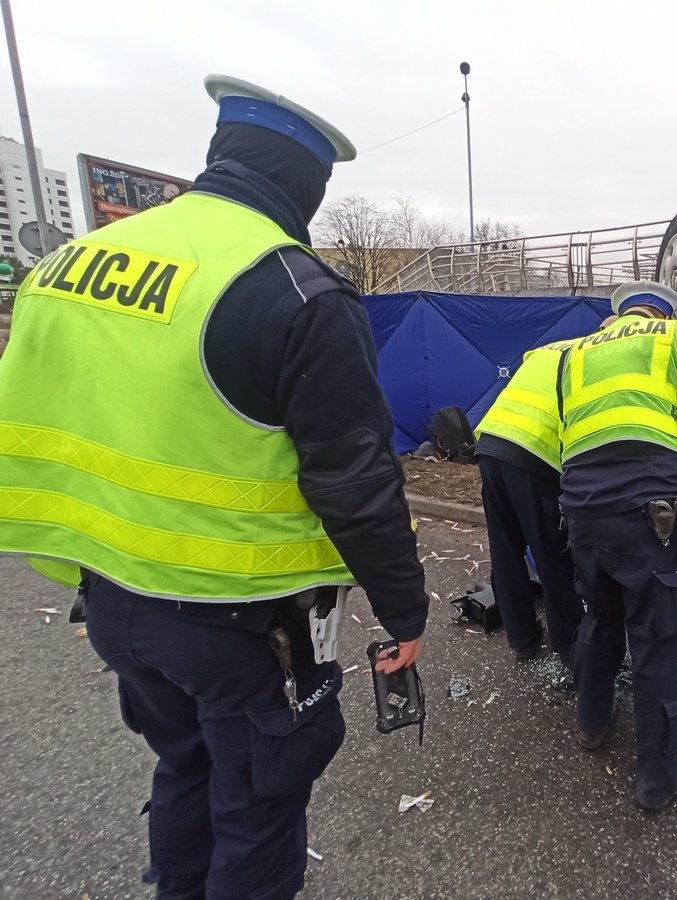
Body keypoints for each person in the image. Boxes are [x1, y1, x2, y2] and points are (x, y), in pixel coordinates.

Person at [0, 75, 427, 900]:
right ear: (306, 183)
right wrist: (404, 612)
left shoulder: (65, 267)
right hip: (239, 622)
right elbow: (355, 481)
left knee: (183, 764)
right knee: (259, 805)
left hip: (112, 597)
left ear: (221, 154)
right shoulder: (294, 289)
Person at [558, 281, 677, 811]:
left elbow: (568, 436)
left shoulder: (576, 353)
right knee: (656, 642)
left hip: (582, 512)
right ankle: (658, 780)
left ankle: (593, 724)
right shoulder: (676, 338)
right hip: (649, 518)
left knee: (598, 613)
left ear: (617, 314)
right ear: (667, 310)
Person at [474, 337, 585, 661]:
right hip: (535, 453)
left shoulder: (550, 349)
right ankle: (571, 649)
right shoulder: (594, 358)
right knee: (553, 556)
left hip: (491, 443)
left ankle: (522, 639)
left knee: (505, 549)